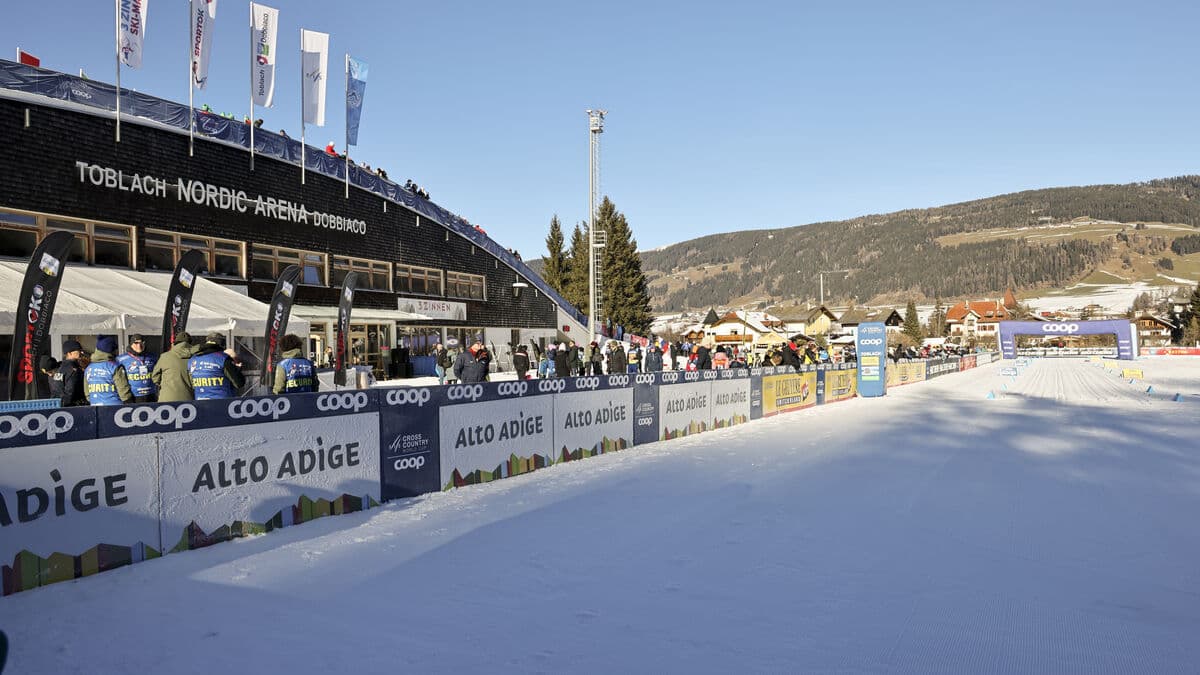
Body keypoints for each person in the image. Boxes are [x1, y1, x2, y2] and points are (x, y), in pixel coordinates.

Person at [188, 332, 245, 400]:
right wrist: (237, 370)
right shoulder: (223, 358)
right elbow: (239, 383)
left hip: (200, 402)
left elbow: (191, 384)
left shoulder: (193, 359)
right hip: (221, 403)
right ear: (221, 344)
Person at [85, 335, 133, 406]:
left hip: (95, 407)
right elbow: (124, 391)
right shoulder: (114, 367)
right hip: (115, 407)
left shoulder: (89, 368)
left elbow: (87, 394)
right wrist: (130, 403)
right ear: (111, 351)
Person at [152, 331, 198, 402]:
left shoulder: (165, 356)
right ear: (190, 343)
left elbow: (155, 377)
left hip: (166, 399)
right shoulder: (196, 357)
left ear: (175, 343)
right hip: (188, 399)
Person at [117, 333, 158, 403]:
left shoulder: (152, 357)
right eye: (136, 343)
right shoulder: (121, 359)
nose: (139, 346)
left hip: (150, 395)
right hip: (133, 397)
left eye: (141, 343)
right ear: (131, 344)